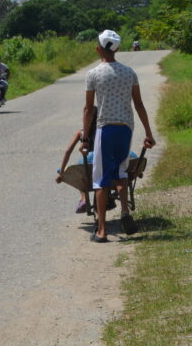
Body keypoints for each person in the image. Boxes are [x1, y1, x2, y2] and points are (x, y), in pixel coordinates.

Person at [81, 29, 155, 242]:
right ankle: (125, 212)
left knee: (101, 180)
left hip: (105, 128)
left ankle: (102, 230)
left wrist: (86, 138)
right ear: (118, 49)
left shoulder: (93, 74)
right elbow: (138, 104)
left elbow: (89, 110)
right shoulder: (129, 72)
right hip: (126, 128)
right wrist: (148, 133)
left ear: (98, 49)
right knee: (121, 172)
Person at [56, 107, 137, 214]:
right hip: (109, 165)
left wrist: (61, 173)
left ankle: (84, 198)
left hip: (88, 166)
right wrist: (136, 170)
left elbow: (67, 151)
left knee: (79, 172)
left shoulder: (81, 132)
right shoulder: (107, 130)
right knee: (125, 158)